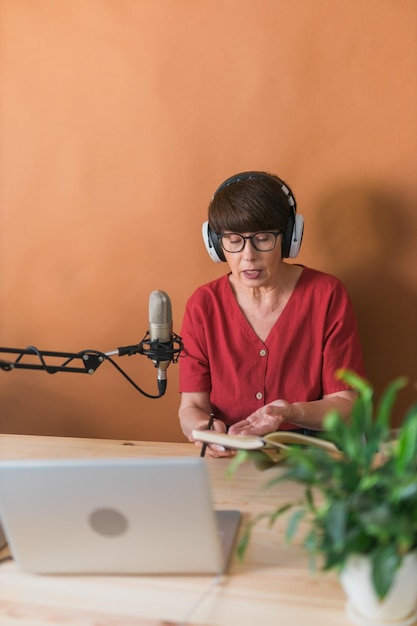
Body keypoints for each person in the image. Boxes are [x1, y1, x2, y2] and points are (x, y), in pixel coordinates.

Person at [178, 171, 365, 457]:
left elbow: (346, 406)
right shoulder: (203, 305)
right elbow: (190, 407)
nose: (248, 255)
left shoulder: (327, 295)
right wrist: (205, 430)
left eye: (263, 239)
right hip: (231, 455)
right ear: (216, 244)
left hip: (311, 455)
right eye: (233, 240)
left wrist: (290, 412)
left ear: (289, 238)